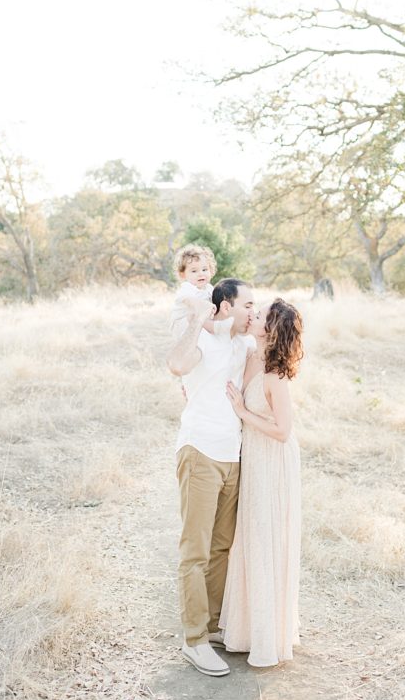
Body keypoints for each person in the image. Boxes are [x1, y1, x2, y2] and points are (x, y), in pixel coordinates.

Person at [167, 278, 256, 677]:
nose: (253, 311)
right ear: (223, 306)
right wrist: (197, 317)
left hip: (233, 455)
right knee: (196, 551)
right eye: (247, 304)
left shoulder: (242, 344)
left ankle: (213, 626)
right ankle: (194, 640)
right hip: (200, 451)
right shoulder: (204, 339)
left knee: (221, 548)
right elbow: (176, 365)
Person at [219, 298, 304, 667]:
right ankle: (245, 630)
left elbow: (283, 431)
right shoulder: (249, 353)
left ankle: (268, 637)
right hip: (251, 456)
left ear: (271, 330)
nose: (254, 315)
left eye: (262, 315)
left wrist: (241, 411)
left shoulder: (275, 376)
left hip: (272, 460)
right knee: (248, 537)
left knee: (265, 537)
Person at [169, 244, 230, 338]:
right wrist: (204, 305)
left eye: (204, 269)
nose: (201, 274)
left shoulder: (209, 288)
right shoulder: (187, 288)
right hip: (181, 324)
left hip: (199, 322)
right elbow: (189, 300)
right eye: (194, 271)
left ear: (211, 270)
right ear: (183, 274)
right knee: (197, 317)